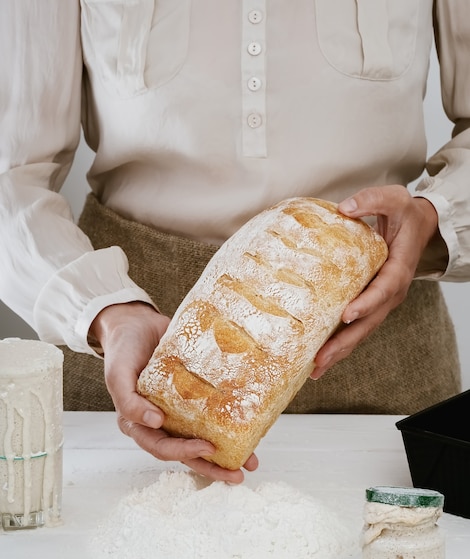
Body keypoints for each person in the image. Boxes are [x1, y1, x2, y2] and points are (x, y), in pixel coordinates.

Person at [1, 1, 469, 484]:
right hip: (134, 363)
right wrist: (104, 310)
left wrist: (433, 219)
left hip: (383, 360)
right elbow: (12, 172)